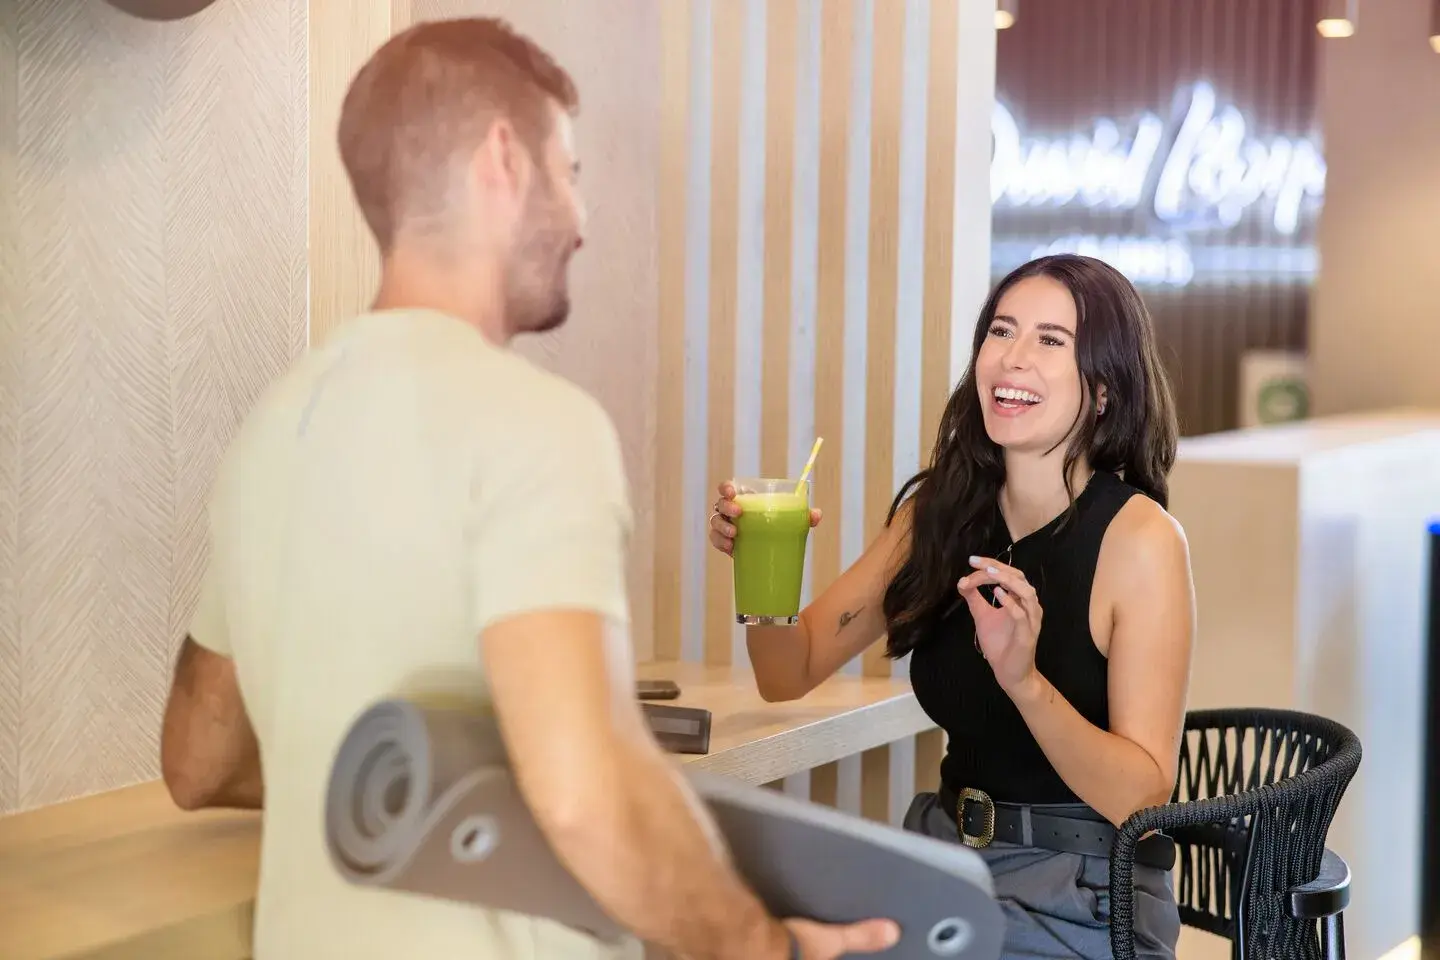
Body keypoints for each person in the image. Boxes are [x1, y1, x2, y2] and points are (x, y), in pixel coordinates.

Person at [158, 17, 899, 960]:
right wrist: (762, 946)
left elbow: (198, 756)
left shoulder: (271, 429)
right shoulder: (533, 424)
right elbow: (590, 795)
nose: (582, 220)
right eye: (571, 173)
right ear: (504, 159)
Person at [709, 254, 1194, 959]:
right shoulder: (941, 513)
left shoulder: (1140, 540)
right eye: (1001, 332)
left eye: (1050, 341)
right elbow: (788, 671)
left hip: (1084, 893)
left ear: (1103, 390)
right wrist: (761, 574)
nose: (1012, 359)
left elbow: (1142, 801)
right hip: (945, 860)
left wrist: (1024, 681)